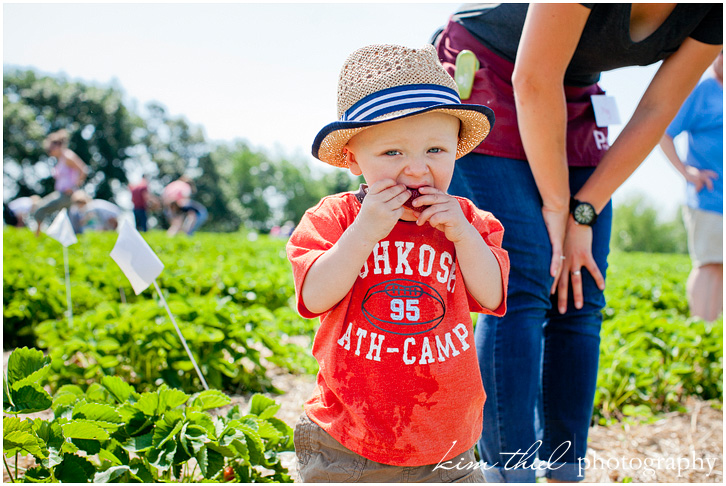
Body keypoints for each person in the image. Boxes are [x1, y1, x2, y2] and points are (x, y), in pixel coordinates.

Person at [433, 3, 722, 482]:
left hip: (572, 95)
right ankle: (509, 472)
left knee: (581, 287)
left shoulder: (713, 11)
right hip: (496, 73)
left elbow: (657, 109)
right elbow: (533, 80)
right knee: (522, 278)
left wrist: (581, 213)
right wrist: (556, 207)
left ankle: (565, 469)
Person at [286, 44, 510, 483]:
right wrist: (364, 233)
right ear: (353, 158)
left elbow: (492, 294)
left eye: (435, 150)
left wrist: (463, 235)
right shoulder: (334, 219)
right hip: (348, 439)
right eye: (392, 154)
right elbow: (313, 297)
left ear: (455, 152)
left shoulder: (470, 223)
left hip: (449, 440)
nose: (415, 170)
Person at [659, 51, 723, 322]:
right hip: (708, 198)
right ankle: (701, 329)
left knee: (721, 268)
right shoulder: (703, 90)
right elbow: (663, 131)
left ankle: (714, 334)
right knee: (708, 264)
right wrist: (687, 172)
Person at [32, 129, 89, 236]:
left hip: (67, 194)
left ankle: (37, 235)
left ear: (57, 146)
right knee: (68, 220)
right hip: (62, 193)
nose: (50, 152)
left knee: (41, 207)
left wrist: (73, 187)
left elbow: (83, 170)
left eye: (50, 149)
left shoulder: (68, 156)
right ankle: (73, 240)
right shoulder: (61, 159)